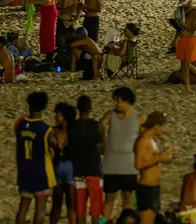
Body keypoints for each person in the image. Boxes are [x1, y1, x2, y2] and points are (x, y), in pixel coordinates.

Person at [102, 87, 142, 223]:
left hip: (129, 165)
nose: (116, 104)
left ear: (126, 100)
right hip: (111, 164)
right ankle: (103, 222)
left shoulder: (139, 117)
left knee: (127, 198)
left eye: (118, 101)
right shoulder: (111, 115)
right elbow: (101, 126)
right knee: (109, 199)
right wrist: (104, 140)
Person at [14, 91, 55, 224]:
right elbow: (54, 146)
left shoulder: (20, 124)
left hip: (24, 169)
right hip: (39, 171)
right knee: (40, 208)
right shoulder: (46, 129)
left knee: (23, 208)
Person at [134, 112, 178, 224]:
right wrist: (159, 158)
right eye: (163, 126)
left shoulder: (152, 140)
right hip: (146, 189)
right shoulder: (143, 141)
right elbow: (138, 165)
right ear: (156, 126)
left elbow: (155, 160)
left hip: (154, 188)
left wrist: (169, 156)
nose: (164, 130)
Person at [71, 95, 104, 224]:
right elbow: (104, 148)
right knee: (95, 211)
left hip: (78, 170)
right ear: (90, 108)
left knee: (80, 211)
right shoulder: (97, 126)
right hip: (94, 170)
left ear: (78, 108)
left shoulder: (72, 127)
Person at [49, 102, 76, 224]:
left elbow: (53, 146)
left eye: (57, 115)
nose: (55, 117)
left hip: (59, 166)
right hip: (70, 166)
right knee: (70, 204)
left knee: (58, 203)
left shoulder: (54, 130)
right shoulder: (75, 130)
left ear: (64, 116)